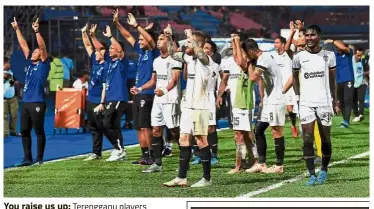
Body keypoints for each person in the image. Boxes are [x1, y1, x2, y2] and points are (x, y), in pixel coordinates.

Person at [163, 29, 212, 187]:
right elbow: (172, 53)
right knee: (183, 139)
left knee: (201, 140)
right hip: (188, 106)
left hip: (201, 106)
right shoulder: (189, 58)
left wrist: (191, 38)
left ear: (197, 44)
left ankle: (206, 178)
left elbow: (202, 55)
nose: (185, 46)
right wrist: (170, 37)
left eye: (189, 43)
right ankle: (181, 177)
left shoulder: (206, 60)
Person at [114, 10, 160, 165]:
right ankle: (144, 155)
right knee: (139, 127)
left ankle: (152, 155)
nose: (139, 41)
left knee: (146, 126)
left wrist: (138, 26)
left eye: (142, 39)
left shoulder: (154, 52)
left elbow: (148, 38)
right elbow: (128, 37)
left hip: (147, 93)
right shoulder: (142, 52)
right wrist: (118, 24)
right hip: (138, 93)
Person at [293, 25, 337, 185]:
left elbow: (333, 79)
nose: (310, 38)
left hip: (324, 102)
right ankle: (311, 174)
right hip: (306, 103)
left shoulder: (329, 55)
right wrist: (297, 97)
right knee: (307, 138)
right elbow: (295, 78)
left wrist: (335, 100)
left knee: (325, 139)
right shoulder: (298, 57)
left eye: (313, 35)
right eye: (307, 35)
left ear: (319, 36)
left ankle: (324, 170)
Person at [243, 37, 292, 174]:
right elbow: (261, 81)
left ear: (251, 51)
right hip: (269, 100)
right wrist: (263, 99)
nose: (246, 56)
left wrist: (248, 64)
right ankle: (262, 164)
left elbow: (253, 78)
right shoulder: (261, 58)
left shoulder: (264, 58)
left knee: (277, 132)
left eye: (246, 53)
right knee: (258, 130)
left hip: (276, 100)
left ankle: (279, 165)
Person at [142, 25, 182, 173]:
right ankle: (157, 163)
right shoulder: (157, 61)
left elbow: (175, 80)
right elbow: (153, 81)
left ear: (168, 43)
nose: (158, 42)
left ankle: (188, 150)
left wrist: (164, 90)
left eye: (161, 39)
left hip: (170, 98)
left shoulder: (175, 59)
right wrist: (139, 88)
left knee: (174, 130)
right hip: (158, 99)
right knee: (156, 129)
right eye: (157, 39)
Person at [11, 17, 50, 166]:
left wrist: (37, 31)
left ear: (40, 55)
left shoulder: (44, 65)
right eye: (33, 51)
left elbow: (42, 48)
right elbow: (23, 44)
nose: (33, 52)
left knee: (39, 131)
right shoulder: (29, 61)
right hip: (26, 102)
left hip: (37, 102)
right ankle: (27, 159)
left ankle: (39, 159)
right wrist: (17, 29)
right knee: (25, 131)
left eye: (36, 52)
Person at [90, 24, 129, 162]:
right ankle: (119, 149)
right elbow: (99, 49)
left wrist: (111, 36)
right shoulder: (109, 63)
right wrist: (93, 36)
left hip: (119, 98)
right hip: (110, 98)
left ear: (119, 51)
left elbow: (117, 48)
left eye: (112, 48)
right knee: (113, 125)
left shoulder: (122, 62)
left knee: (107, 124)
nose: (110, 50)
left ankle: (119, 149)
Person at [80, 23, 109, 161]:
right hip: (90, 99)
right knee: (93, 127)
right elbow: (87, 46)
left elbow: (104, 86)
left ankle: (118, 148)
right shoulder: (95, 62)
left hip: (98, 100)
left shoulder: (106, 65)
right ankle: (96, 152)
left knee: (102, 126)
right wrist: (83, 33)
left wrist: (102, 102)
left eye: (99, 51)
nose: (96, 53)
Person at [324, 38, 354, 128]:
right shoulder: (334, 55)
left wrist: (332, 41)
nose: (338, 49)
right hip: (338, 81)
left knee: (347, 100)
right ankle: (345, 120)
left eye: (339, 47)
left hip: (348, 79)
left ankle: (346, 121)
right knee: (341, 102)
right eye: (337, 48)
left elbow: (343, 47)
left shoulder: (349, 52)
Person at [273, 36, 298, 138]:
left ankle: (293, 125)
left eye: (277, 42)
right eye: (275, 42)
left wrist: (292, 33)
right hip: (278, 86)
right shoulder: (273, 56)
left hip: (290, 85)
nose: (275, 45)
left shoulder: (288, 55)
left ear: (283, 44)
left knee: (290, 109)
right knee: (278, 108)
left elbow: (292, 47)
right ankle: (277, 130)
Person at [4, 57, 21, 138]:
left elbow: (14, 81)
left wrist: (14, 82)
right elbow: (11, 82)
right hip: (3, 99)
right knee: (4, 116)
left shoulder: (10, 72)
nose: (10, 64)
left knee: (14, 115)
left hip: (12, 97)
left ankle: (13, 131)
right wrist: (13, 82)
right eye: (8, 63)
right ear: (5, 63)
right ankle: (5, 133)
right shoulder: (4, 73)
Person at [352, 48, 367, 122]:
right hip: (352, 82)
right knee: (353, 100)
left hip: (362, 82)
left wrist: (366, 73)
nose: (359, 57)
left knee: (361, 99)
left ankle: (361, 114)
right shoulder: (350, 60)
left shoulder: (364, 61)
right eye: (358, 55)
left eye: (360, 55)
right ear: (355, 54)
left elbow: (368, 70)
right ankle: (356, 114)